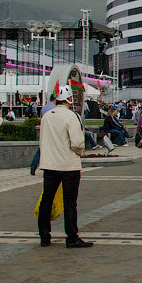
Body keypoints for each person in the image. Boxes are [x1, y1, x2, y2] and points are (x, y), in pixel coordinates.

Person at [36, 88, 92, 248]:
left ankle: (44, 236)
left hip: (49, 164)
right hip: (68, 165)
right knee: (70, 202)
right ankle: (72, 237)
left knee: (46, 201)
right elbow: (77, 142)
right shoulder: (71, 116)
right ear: (68, 99)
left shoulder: (46, 116)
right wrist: (79, 153)